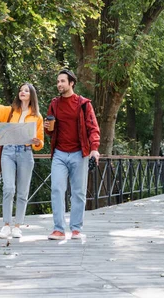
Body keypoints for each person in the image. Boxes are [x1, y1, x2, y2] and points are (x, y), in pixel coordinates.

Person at [0, 83, 44, 239]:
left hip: (25, 153)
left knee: (22, 192)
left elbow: (40, 142)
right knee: (8, 188)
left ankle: (17, 226)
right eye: (21, 90)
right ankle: (6, 225)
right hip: (8, 152)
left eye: (26, 90)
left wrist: (37, 143)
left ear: (31, 95)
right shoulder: (10, 111)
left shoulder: (37, 117)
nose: (22, 92)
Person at [44, 69, 100, 240]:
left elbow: (93, 127)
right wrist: (47, 128)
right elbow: (51, 131)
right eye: (58, 81)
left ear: (71, 83)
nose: (59, 84)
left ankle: (76, 228)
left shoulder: (83, 104)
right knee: (57, 189)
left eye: (62, 81)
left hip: (79, 153)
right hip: (60, 153)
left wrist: (94, 148)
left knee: (78, 192)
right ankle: (59, 229)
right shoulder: (54, 104)